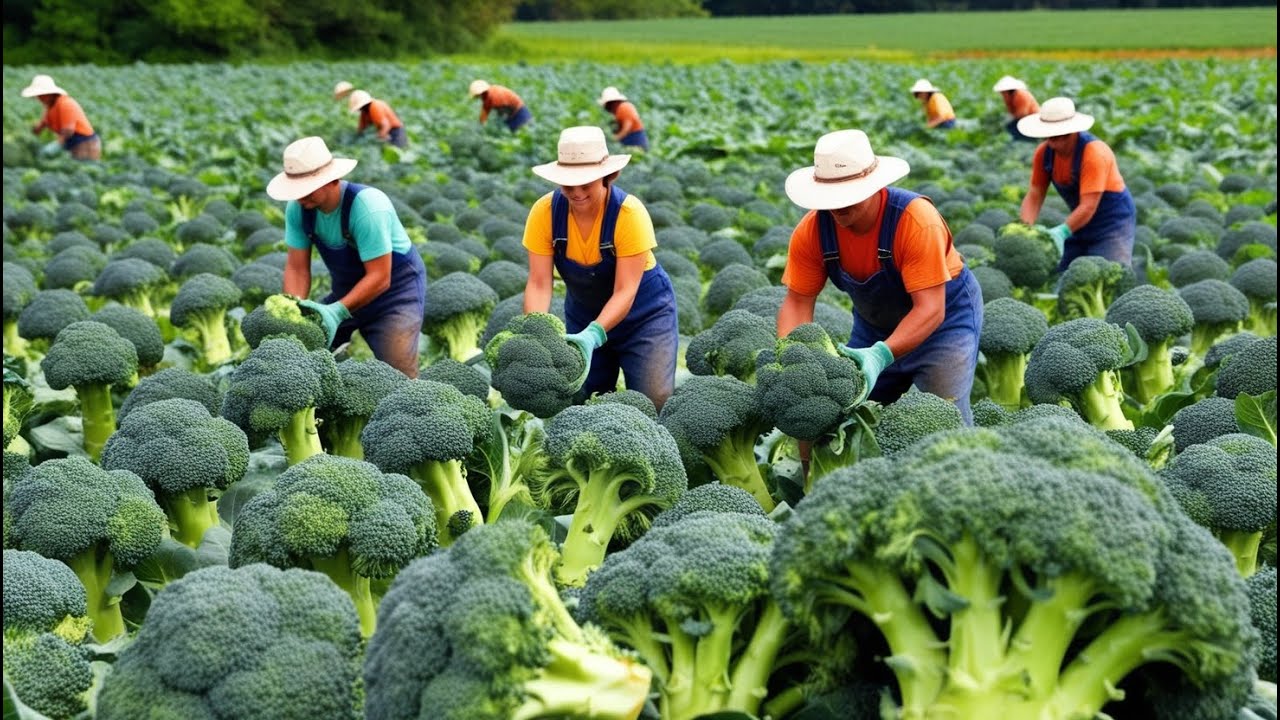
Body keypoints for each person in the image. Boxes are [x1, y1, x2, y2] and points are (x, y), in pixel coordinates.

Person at [778, 129, 982, 424]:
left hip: (944, 325)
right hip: (874, 328)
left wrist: (880, 356)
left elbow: (930, 309)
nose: (838, 206)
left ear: (874, 187)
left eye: (847, 195)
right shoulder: (812, 232)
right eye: (830, 197)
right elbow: (797, 303)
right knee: (847, 418)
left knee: (947, 420)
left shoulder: (916, 222)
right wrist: (790, 357)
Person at [521, 126, 679, 410]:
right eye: (568, 185)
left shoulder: (629, 215)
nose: (577, 193)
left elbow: (626, 290)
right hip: (583, 314)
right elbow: (539, 283)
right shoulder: (544, 213)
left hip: (644, 317)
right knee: (585, 402)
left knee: (654, 400)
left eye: (586, 184)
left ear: (608, 177)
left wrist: (593, 336)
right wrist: (536, 332)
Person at [266, 136, 426, 378]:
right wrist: (293, 310)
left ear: (332, 180)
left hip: (395, 293)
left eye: (307, 189)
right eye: (296, 191)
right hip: (346, 291)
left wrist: (336, 312)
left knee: (400, 375)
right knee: (304, 359)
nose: (301, 197)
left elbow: (380, 277)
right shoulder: (299, 209)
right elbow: (297, 269)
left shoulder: (367, 207)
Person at [1017, 97, 1136, 272]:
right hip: (1079, 220)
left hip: (1112, 222)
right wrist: (1024, 229)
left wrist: (1062, 232)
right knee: (1064, 274)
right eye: (1050, 137)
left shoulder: (1094, 153)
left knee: (1111, 275)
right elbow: (1035, 193)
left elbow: (1088, 206)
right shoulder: (1044, 154)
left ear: (1073, 131)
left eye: (1061, 137)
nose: (1055, 143)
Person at [22, 74, 100, 160]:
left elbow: (68, 130)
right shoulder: (50, 107)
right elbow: (43, 123)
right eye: (38, 95)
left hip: (85, 144)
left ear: (50, 93)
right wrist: (30, 134)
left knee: (82, 168)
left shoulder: (65, 103)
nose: (39, 98)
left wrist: (56, 145)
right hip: (71, 143)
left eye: (41, 95)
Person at [598, 86, 648, 151]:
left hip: (635, 138)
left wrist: (616, 138)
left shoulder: (624, 107)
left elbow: (627, 127)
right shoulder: (619, 109)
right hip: (632, 137)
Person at [992, 75, 1040, 142]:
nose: (1001, 94)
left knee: (1012, 127)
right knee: (1009, 126)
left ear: (1007, 90)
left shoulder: (1021, 95)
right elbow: (1010, 110)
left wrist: (1011, 118)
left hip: (1032, 118)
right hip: (1021, 117)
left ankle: (1028, 140)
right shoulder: (1008, 97)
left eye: (1002, 92)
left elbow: (1022, 114)